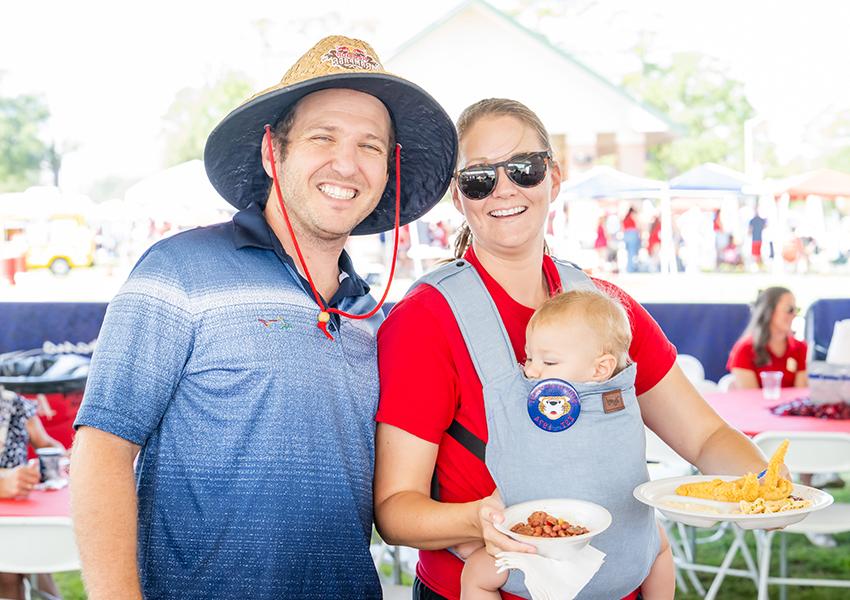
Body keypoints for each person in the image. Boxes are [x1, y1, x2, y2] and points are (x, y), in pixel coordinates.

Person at [70, 35, 456, 600]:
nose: (346, 164)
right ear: (272, 152)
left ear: (388, 168)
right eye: (323, 137)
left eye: (370, 146)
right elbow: (104, 447)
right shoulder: (177, 270)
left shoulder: (372, 316)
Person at [373, 98, 774, 600]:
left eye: (524, 168)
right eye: (478, 177)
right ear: (458, 197)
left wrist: (767, 489)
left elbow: (706, 435)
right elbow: (395, 510)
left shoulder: (607, 308)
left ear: (553, 178)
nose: (504, 189)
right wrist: (482, 521)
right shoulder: (425, 322)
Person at [459, 290, 674, 600]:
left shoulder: (546, 406)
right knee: (661, 545)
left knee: (476, 573)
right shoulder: (620, 401)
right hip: (629, 559)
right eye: (528, 357)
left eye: (548, 361)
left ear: (600, 368)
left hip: (549, 559)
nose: (531, 371)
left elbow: (522, 470)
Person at [1, 386, 65, 600]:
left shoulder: (13, 403)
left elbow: (46, 445)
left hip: (22, 515)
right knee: (9, 573)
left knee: (35, 559)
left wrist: (63, 459)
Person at [727, 287, 807, 390]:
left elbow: (800, 393)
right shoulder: (744, 349)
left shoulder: (800, 347)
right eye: (789, 309)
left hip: (790, 406)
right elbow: (749, 398)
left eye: (797, 310)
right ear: (769, 311)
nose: (794, 314)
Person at [622, 206, 641, 272]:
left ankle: (629, 268)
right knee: (632, 252)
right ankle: (631, 268)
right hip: (632, 234)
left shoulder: (626, 218)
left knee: (629, 253)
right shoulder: (632, 216)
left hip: (626, 235)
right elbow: (638, 225)